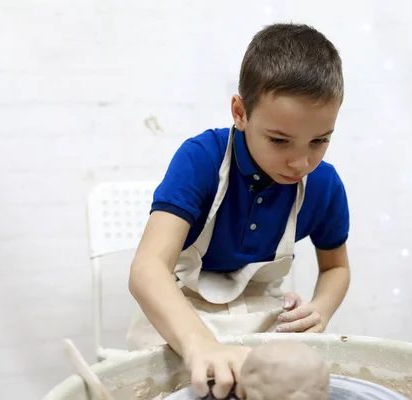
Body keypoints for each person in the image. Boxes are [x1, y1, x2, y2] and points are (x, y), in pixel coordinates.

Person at [127, 22, 350, 399]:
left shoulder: (323, 184)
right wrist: (200, 344)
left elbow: (336, 267)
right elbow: (147, 269)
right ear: (240, 112)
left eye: (319, 141)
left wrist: (320, 309)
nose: (300, 162)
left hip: (262, 317)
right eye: (280, 140)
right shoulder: (202, 160)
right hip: (183, 313)